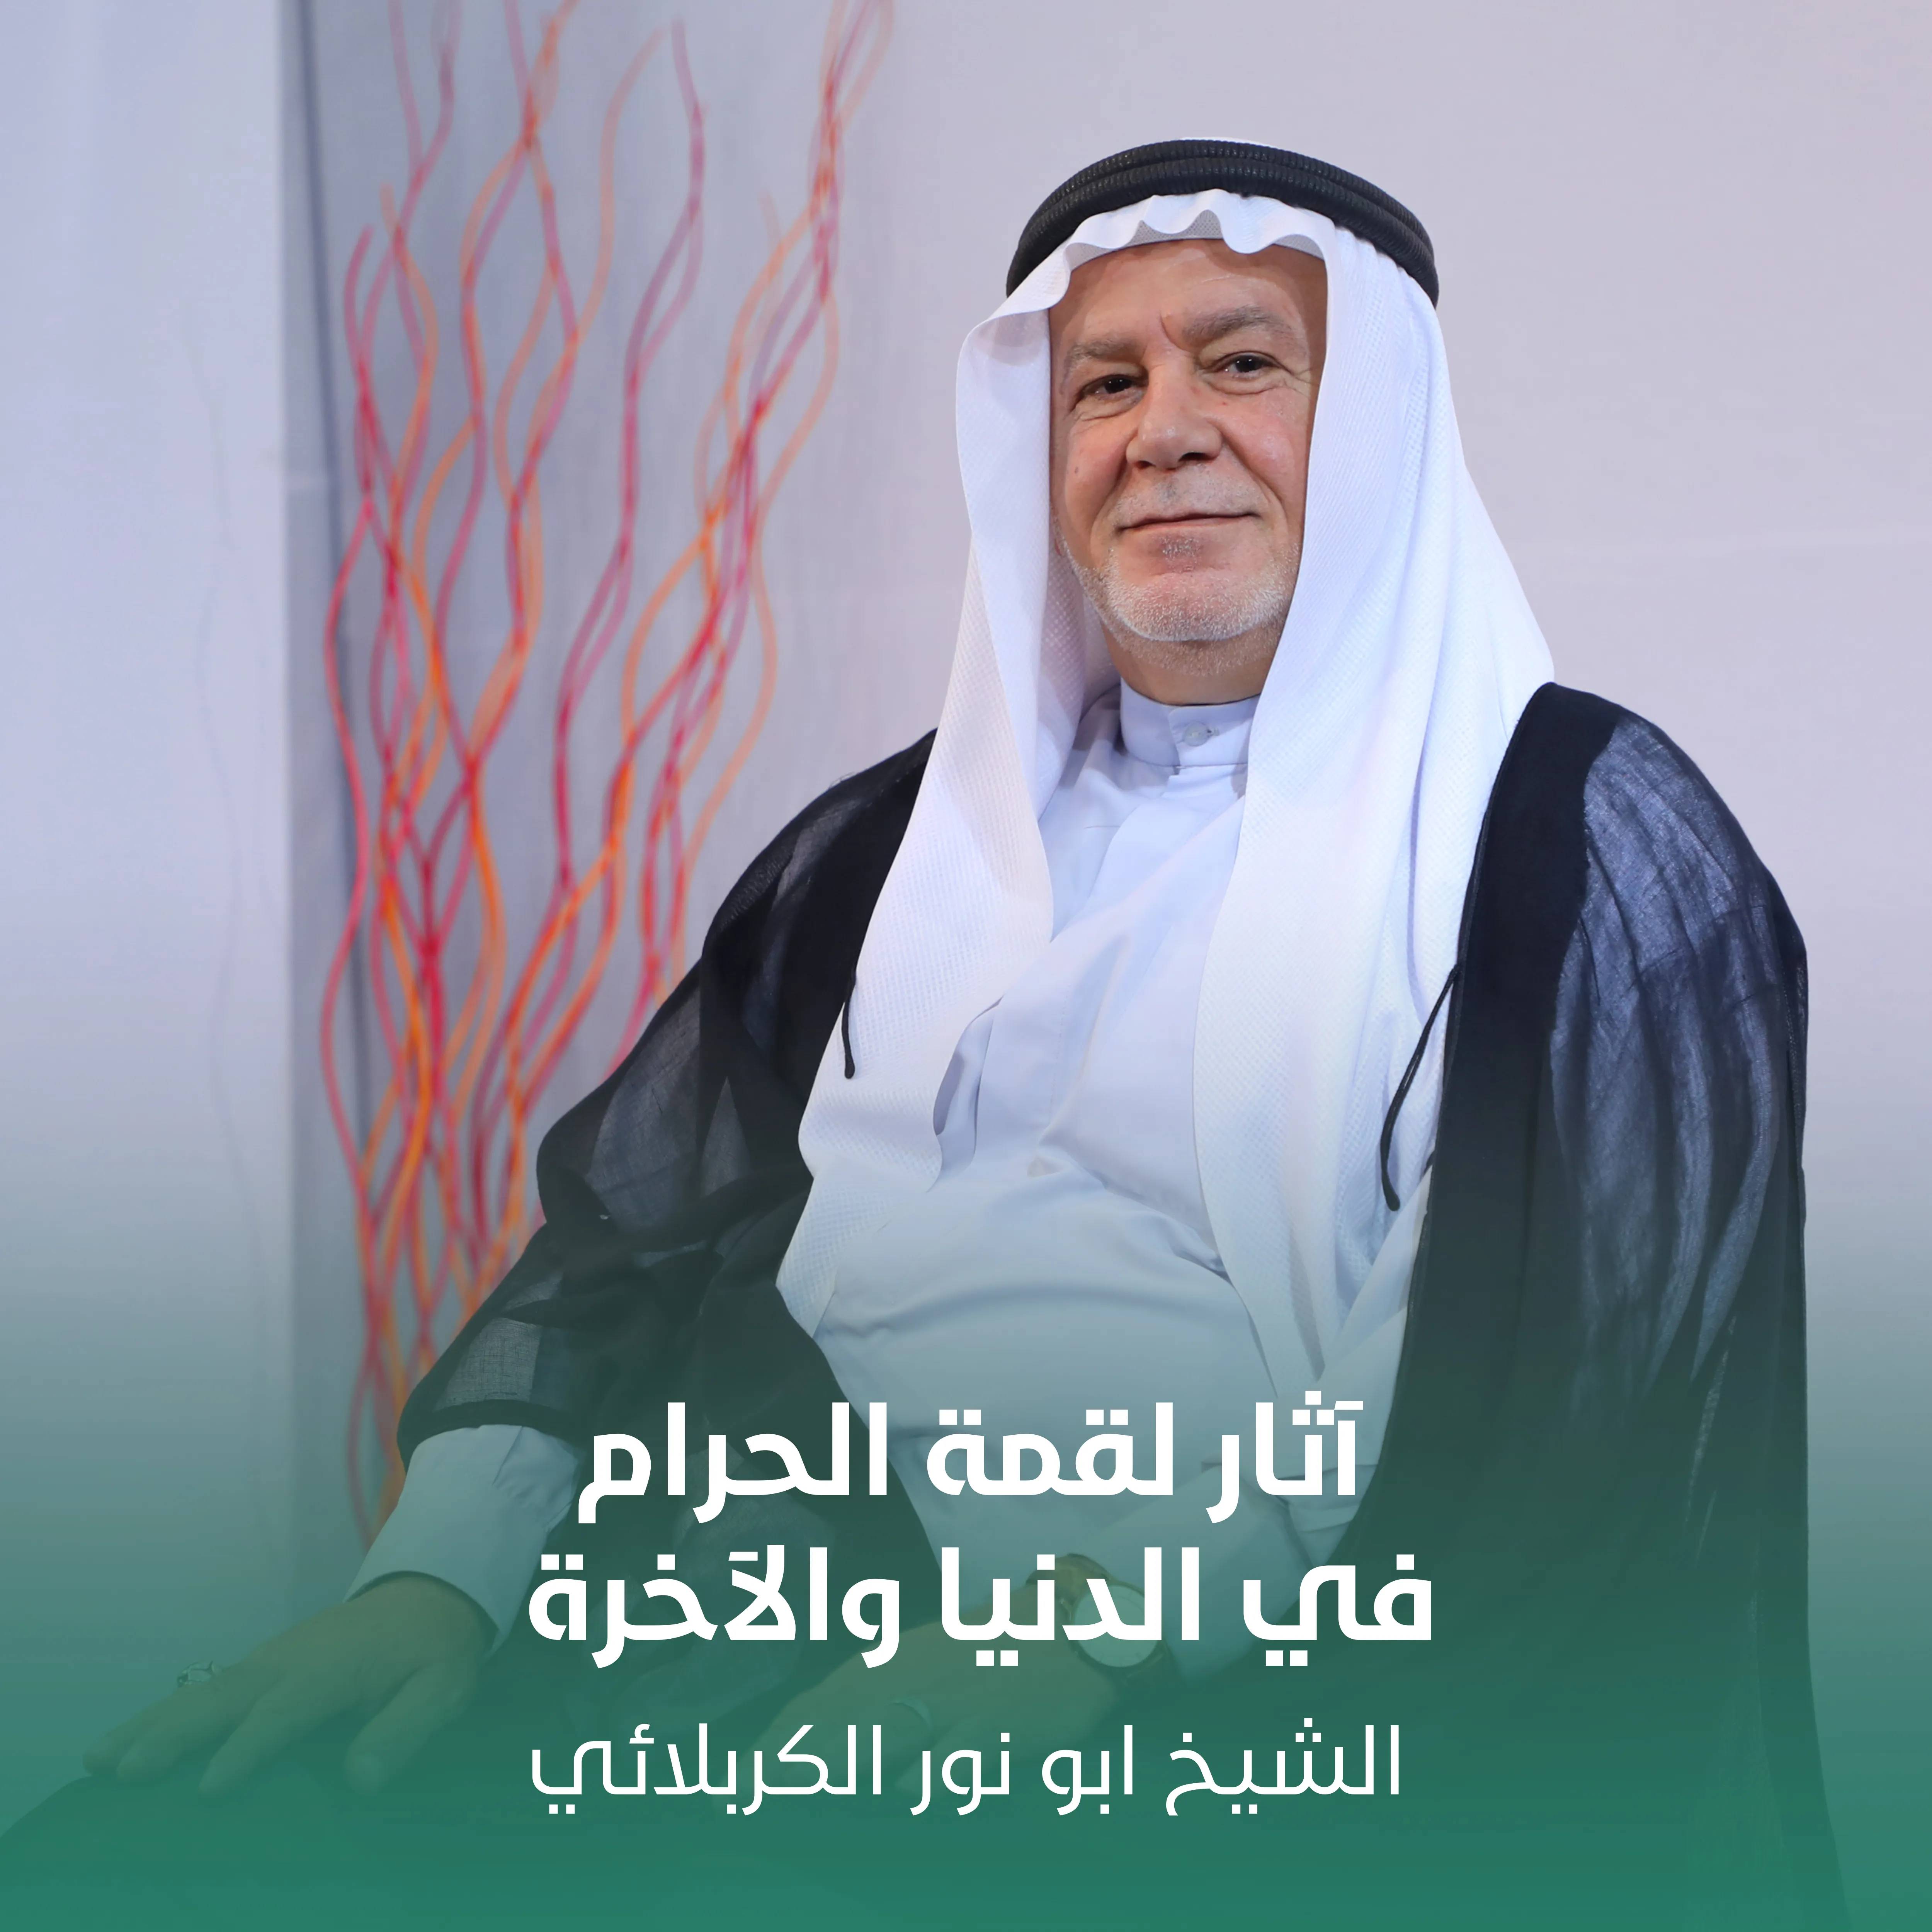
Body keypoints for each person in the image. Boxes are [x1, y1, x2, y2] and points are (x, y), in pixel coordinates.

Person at [29, 140, 1844, 1925]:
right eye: (1102, 384)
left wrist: (1079, 1641)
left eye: (1241, 361)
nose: (1162, 429)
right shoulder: (890, 846)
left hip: (1201, 1722)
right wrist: (431, 1580)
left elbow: (1529, 1398)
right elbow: (625, 1248)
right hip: (716, 1606)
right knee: (134, 1852)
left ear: (1377, 421)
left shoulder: (1577, 842)